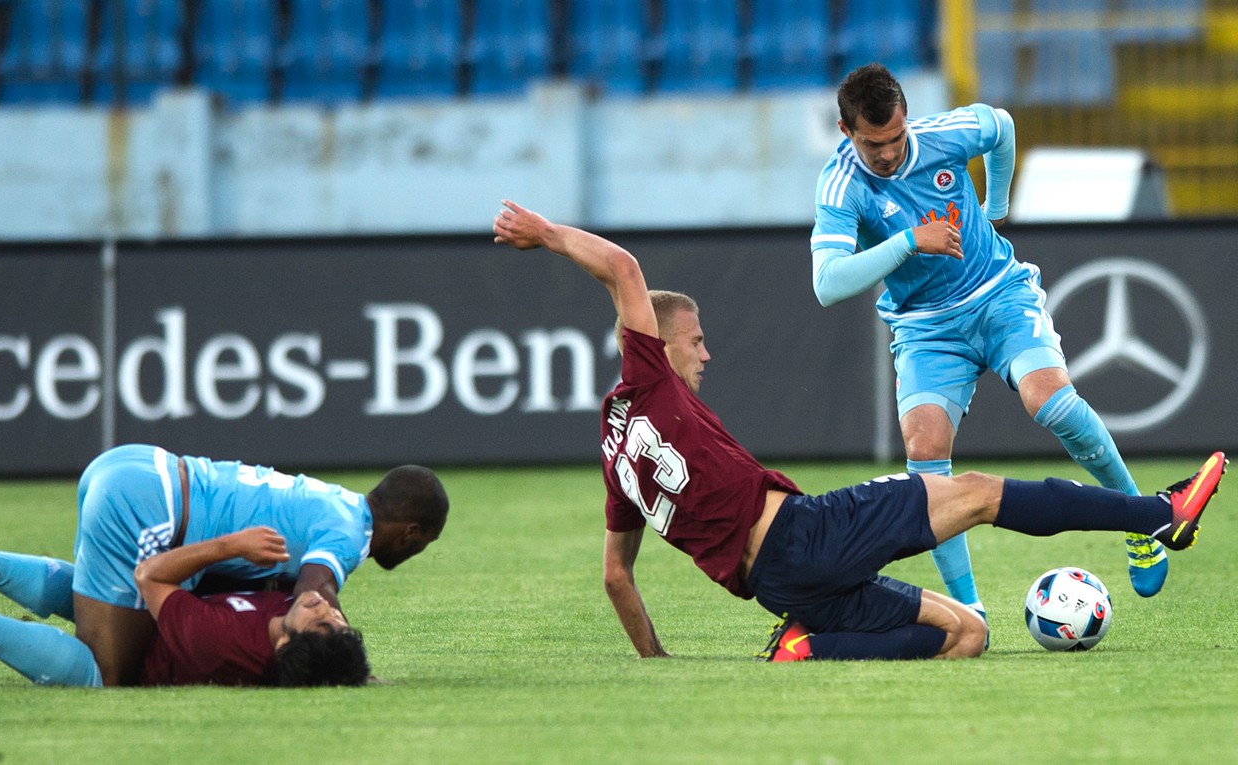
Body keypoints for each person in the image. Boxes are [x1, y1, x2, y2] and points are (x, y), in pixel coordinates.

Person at [492, 199, 1226, 661]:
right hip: (803, 535)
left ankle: (813, 644)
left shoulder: (614, 451)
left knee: (968, 634)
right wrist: (547, 232)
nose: (706, 351)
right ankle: (1158, 514)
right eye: (697, 340)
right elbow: (622, 268)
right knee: (973, 492)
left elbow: (617, 573)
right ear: (662, 342)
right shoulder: (648, 374)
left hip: (779, 584)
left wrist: (656, 661)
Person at [808, 63, 1168, 610]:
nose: (887, 153)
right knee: (924, 453)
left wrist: (996, 207)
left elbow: (1000, 126)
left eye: (895, 138)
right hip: (926, 326)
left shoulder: (942, 136)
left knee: (1052, 404)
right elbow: (827, 285)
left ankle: (1141, 524)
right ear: (845, 131)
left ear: (907, 119)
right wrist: (909, 241)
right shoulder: (841, 186)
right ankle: (968, 610)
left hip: (998, 293)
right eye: (871, 143)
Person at [0, 443, 448, 685]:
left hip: (137, 466)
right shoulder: (350, 532)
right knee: (106, 671)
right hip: (153, 508)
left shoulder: (335, 500)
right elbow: (315, 591)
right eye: (420, 546)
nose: (414, 553)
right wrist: (346, 664)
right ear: (410, 532)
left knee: (105, 607)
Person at [0, 525, 370, 689]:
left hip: (142, 648)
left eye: (323, 624)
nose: (327, 608)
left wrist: (229, 544)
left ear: (287, 643)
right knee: (97, 598)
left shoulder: (216, 643)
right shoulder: (294, 614)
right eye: (340, 621)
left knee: (100, 675)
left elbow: (149, 575)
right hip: (158, 614)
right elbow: (329, 661)